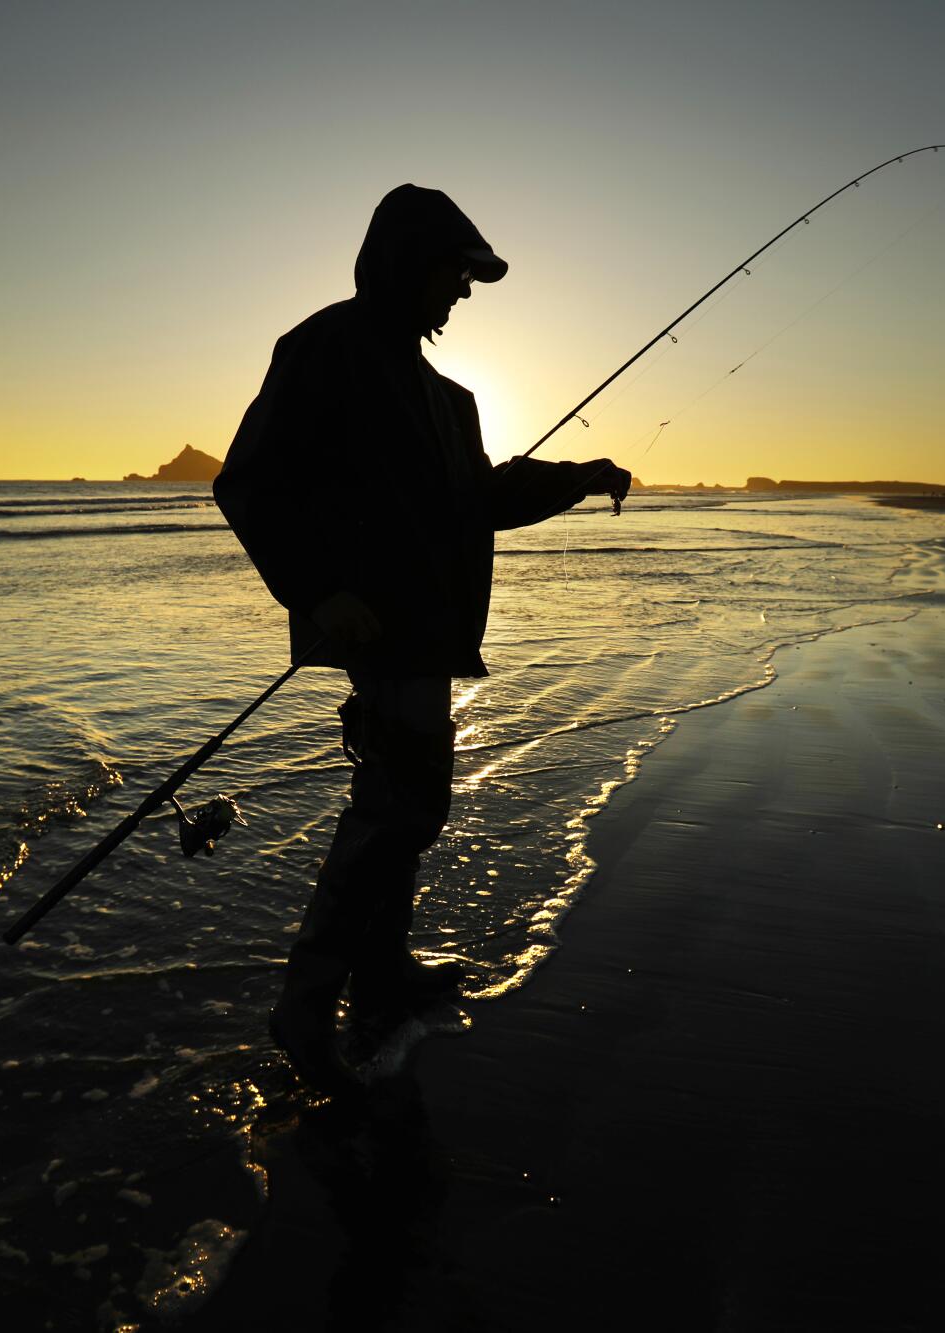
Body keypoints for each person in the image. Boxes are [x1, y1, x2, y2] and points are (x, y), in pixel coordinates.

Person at [215, 183, 629, 1098]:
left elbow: (477, 499)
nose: (465, 293)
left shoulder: (451, 399)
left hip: (430, 633)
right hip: (377, 632)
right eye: (456, 271)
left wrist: (579, 475)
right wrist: (319, 593)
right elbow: (248, 484)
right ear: (407, 262)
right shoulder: (323, 349)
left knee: (409, 809)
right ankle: (305, 1005)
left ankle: (381, 971)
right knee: (390, 815)